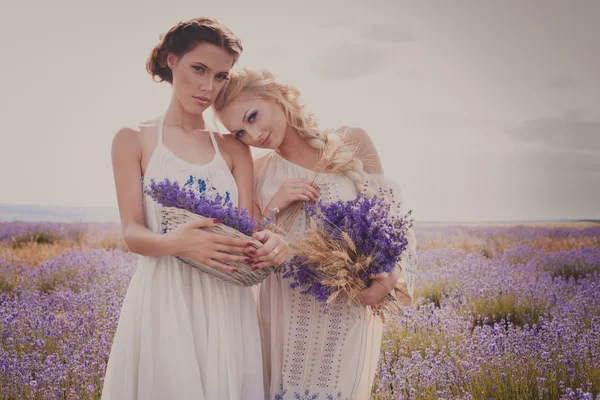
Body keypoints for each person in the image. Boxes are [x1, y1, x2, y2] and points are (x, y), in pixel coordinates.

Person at [101, 19, 289, 400]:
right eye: (198, 69)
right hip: (164, 299)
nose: (208, 87)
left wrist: (273, 241)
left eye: (221, 76)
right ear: (173, 61)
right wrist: (178, 243)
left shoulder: (234, 149)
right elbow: (132, 233)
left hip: (226, 304)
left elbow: (246, 229)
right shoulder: (133, 139)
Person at [213, 68, 418, 399]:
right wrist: (273, 207)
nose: (253, 135)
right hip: (283, 317)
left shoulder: (353, 140)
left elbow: (392, 221)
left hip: (344, 313)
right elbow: (248, 248)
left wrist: (388, 274)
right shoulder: (259, 171)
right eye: (239, 133)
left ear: (275, 95)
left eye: (253, 117)